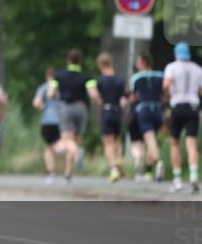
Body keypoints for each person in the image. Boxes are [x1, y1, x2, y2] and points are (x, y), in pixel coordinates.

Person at [163, 42, 202, 193]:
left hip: (177, 107)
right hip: (192, 108)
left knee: (175, 143)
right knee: (191, 143)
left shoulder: (171, 67)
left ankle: (177, 180)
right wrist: (193, 90)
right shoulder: (198, 68)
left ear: (176, 54)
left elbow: (166, 84)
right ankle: (194, 174)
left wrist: (167, 93)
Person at [49, 49, 98, 182]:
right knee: (75, 140)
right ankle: (68, 174)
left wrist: (57, 97)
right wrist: (97, 103)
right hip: (81, 108)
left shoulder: (58, 76)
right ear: (80, 62)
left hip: (67, 108)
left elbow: (50, 93)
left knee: (67, 140)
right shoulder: (87, 77)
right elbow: (93, 95)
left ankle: (78, 153)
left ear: (68, 61)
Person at [129, 52, 166, 182]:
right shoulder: (161, 75)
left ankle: (158, 161)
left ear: (143, 62)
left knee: (149, 138)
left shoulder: (136, 78)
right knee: (153, 140)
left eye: (138, 61)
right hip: (158, 109)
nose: (137, 64)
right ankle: (149, 171)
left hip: (144, 109)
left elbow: (133, 97)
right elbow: (165, 93)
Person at [95, 53, 128, 183]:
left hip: (107, 111)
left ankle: (114, 169)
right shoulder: (120, 79)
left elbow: (97, 99)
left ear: (100, 65)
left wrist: (99, 103)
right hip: (117, 112)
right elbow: (125, 98)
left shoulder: (100, 80)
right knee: (118, 140)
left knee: (107, 143)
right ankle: (119, 161)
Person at [32, 68, 65, 183]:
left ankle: (51, 173)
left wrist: (43, 108)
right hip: (64, 119)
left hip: (48, 120)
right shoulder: (62, 87)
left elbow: (36, 102)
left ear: (47, 77)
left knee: (49, 147)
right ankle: (71, 151)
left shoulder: (44, 87)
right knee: (60, 142)